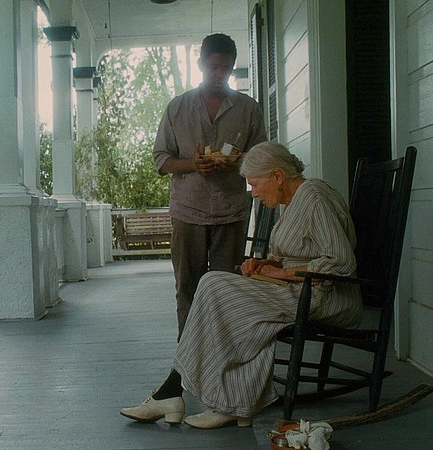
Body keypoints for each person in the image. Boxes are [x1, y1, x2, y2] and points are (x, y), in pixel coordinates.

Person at [121, 142, 363, 429]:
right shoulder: (294, 201)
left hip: (327, 296)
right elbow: (300, 252)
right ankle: (231, 403)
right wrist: (264, 264)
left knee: (214, 285)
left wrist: (283, 273)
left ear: (277, 176)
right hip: (301, 290)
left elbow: (341, 261)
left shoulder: (314, 197)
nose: (254, 193)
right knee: (222, 294)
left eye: (256, 185)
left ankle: (177, 392)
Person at [153, 33, 267, 340]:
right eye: (213, 67)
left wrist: (239, 162)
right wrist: (193, 164)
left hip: (231, 212)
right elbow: (161, 159)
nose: (219, 74)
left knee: (227, 289)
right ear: (201, 64)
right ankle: (188, 356)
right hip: (188, 211)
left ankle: (221, 353)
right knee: (187, 288)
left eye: (226, 68)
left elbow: (261, 159)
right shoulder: (177, 108)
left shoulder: (248, 109)